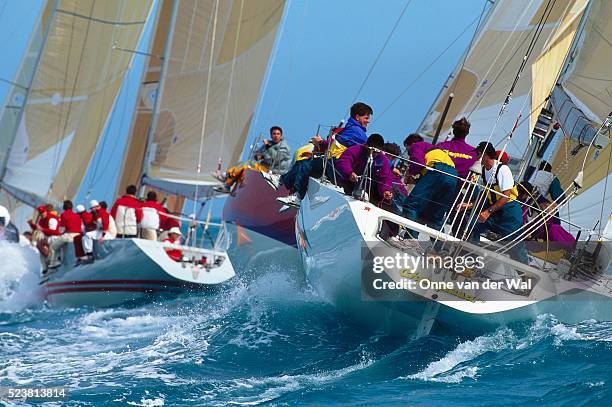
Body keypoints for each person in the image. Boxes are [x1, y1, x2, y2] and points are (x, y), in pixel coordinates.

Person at [264, 102, 373, 209]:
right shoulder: (355, 130)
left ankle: (291, 191)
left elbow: (334, 145)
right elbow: (337, 146)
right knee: (303, 163)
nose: (368, 121)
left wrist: (320, 142)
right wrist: (320, 144)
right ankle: (283, 183)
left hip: (337, 166)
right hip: (334, 162)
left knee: (305, 165)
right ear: (357, 117)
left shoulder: (356, 132)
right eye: (366, 118)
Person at [464, 142, 528, 264]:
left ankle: (527, 275)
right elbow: (486, 193)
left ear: (486, 155)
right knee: (473, 225)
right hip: (496, 210)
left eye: (478, 154)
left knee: (515, 245)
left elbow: (505, 197)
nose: (476, 158)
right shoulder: (483, 170)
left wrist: (487, 212)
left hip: (510, 212)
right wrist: (470, 205)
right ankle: (472, 260)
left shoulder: (502, 169)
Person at [401, 142, 458, 239]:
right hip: (453, 176)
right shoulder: (438, 152)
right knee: (435, 217)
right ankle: (439, 250)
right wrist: (415, 180)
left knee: (410, 206)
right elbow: (431, 175)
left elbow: (418, 163)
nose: (410, 154)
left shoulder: (415, 145)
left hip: (437, 170)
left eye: (408, 150)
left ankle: (410, 240)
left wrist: (409, 173)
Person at [216, 126, 292, 191]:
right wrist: (258, 156)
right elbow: (257, 153)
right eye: (274, 134)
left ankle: (226, 178)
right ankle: (227, 184)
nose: (276, 136)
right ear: (271, 135)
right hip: (263, 168)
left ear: (281, 135)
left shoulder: (284, 147)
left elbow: (276, 158)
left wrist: (267, 148)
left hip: (273, 172)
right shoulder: (269, 143)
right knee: (244, 166)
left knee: (247, 166)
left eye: (278, 134)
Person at [334, 134, 394, 201]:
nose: (374, 154)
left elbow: (385, 177)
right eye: (373, 151)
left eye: (377, 152)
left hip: (368, 188)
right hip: (348, 181)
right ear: (367, 146)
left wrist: (385, 190)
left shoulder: (383, 160)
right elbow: (343, 161)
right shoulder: (356, 150)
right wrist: (349, 173)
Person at [48, 200, 83, 268]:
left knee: (53, 247)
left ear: (64, 207)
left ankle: (54, 262)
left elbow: (62, 229)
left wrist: (60, 234)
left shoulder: (64, 214)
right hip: (78, 236)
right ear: (72, 207)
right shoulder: (77, 215)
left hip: (69, 235)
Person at [529, 160, 565, 225]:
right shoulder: (551, 176)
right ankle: (556, 228)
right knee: (554, 212)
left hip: (525, 194)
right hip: (536, 198)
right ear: (549, 169)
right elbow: (557, 196)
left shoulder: (534, 173)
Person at [27, 204, 60, 273]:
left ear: (46, 211)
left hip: (54, 237)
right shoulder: (42, 220)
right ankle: (45, 269)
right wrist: (31, 224)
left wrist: (42, 229)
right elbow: (37, 228)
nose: (42, 214)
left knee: (39, 244)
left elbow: (54, 232)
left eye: (43, 213)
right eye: (40, 213)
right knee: (41, 252)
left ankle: (52, 259)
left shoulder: (51, 219)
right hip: (48, 237)